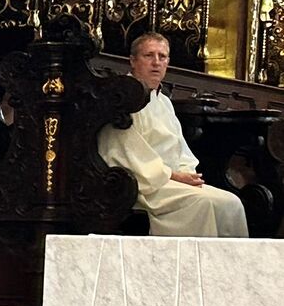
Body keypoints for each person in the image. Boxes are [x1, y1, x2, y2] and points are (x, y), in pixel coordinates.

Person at [98, 32, 248, 238]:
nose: (156, 63)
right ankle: (190, 259)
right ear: (132, 60)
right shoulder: (122, 96)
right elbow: (123, 152)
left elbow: (180, 149)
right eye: (149, 55)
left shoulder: (164, 102)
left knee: (232, 204)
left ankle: (225, 261)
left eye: (162, 56)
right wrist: (173, 175)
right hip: (143, 184)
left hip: (171, 181)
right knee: (202, 203)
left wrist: (187, 173)